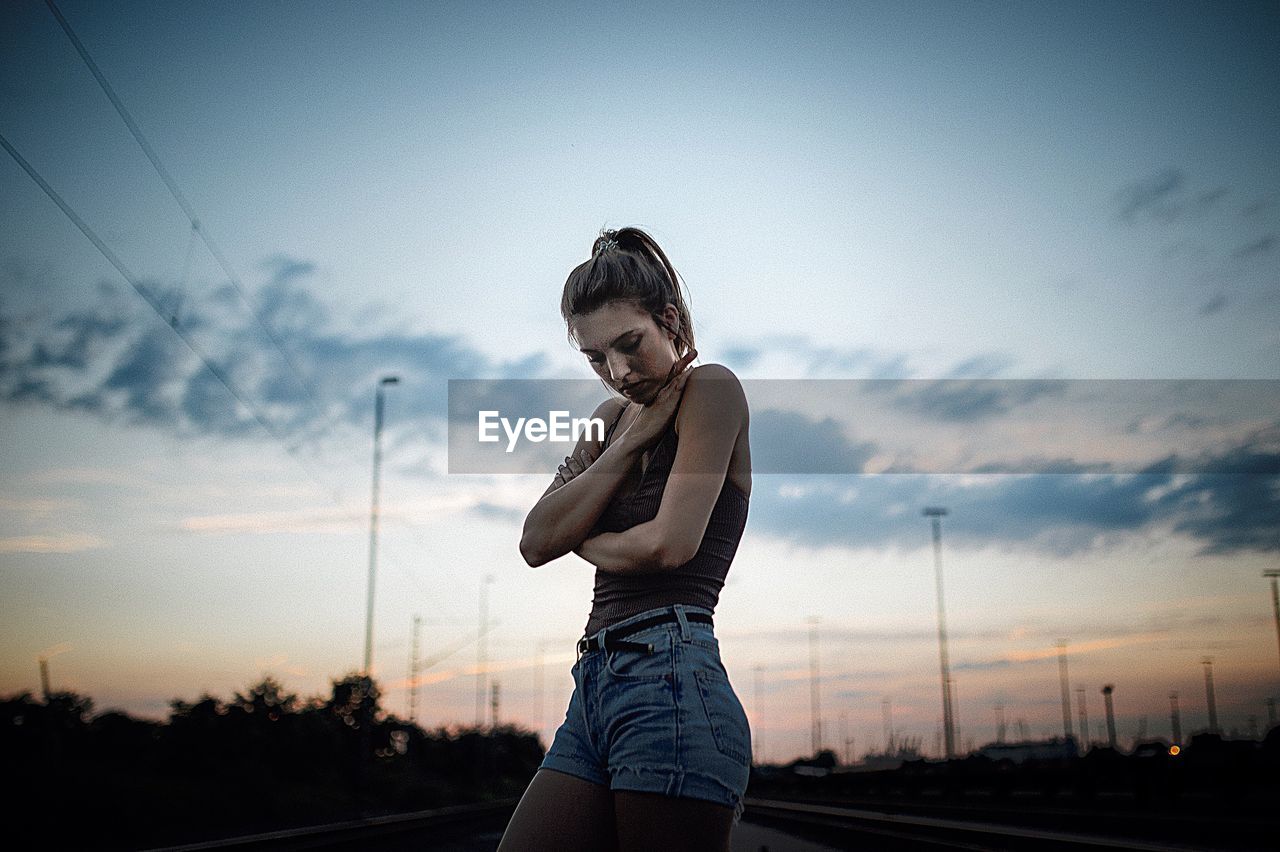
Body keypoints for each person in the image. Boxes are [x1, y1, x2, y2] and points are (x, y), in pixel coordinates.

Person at [499, 227, 753, 852]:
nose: (616, 372)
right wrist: (635, 440)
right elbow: (535, 540)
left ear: (667, 319)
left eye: (629, 344)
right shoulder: (611, 421)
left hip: (670, 674)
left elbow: (670, 545)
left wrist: (582, 537)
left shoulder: (711, 391)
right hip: (593, 684)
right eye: (595, 357)